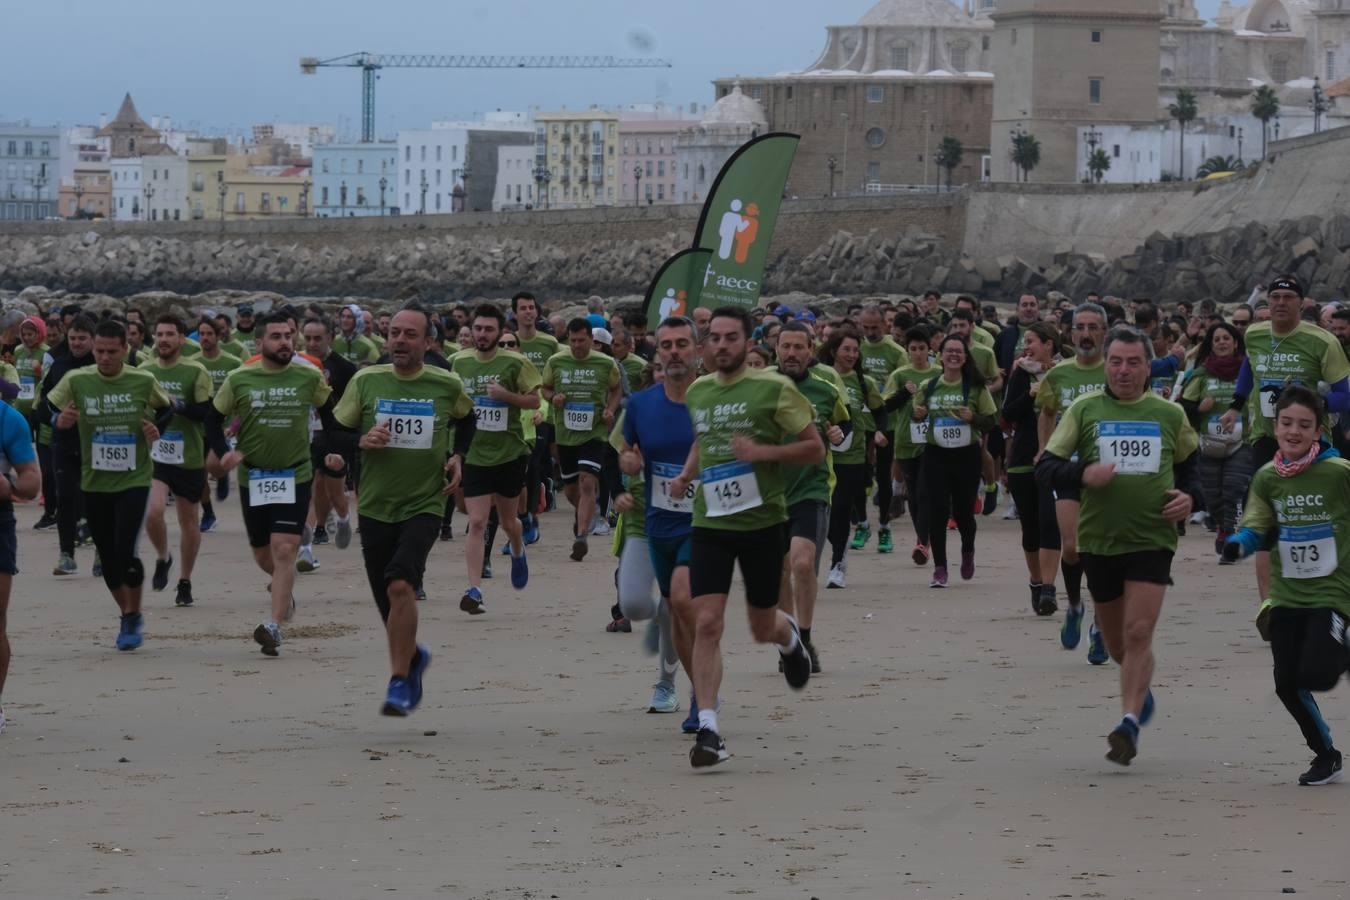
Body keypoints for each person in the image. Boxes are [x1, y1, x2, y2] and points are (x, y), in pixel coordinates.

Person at [667, 306, 822, 768]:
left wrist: (762, 452)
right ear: (704, 345)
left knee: (760, 626)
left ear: (748, 342)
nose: (720, 346)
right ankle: (710, 728)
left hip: (761, 523)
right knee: (708, 621)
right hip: (710, 522)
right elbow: (704, 440)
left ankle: (790, 639)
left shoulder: (774, 388)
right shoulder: (698, 391)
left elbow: (814, 447)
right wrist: (684, 476)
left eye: (730, 338)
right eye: (713, 338)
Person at [1038, 325, 1201, 765]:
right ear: (1106, 364)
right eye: (1116, 362)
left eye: (1133, 362)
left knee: (1139, 631)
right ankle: (1139, 687)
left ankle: (1127, 722)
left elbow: (1191, 465)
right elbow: (1047, 468)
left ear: (1150, 366)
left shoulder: (1169, 414)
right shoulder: (1085, 410)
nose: (1124, 370)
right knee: (1117, 647)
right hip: (1100, 541)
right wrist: (1082, 474)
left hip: (1152, 538)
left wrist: (1192, 498)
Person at [334, 305, 477, 715]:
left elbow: (468, 420)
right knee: (388, 601)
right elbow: (334, 433)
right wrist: (360, 441)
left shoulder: (445, 384)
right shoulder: (366, 380)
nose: (400, 340)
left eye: (410, 334)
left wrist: (459, 457)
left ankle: (398, 680)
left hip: (425, 501)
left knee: (400, 585)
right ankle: (413, 657)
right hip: (376, 505)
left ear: (428, 342)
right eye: (394, 333)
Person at [1223, 386, 1350, 785]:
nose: (1294, 431)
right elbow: (1258, 521)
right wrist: (1239, 543)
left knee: (1319, 672)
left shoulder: (1339, 473)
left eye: (1304, 425)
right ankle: (1326, 754)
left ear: (1319, 430)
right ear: (1275, 425)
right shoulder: (1267, 476)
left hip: (1334, 591)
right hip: (1287, 594)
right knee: (1286, 684)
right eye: (1286, 423)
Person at [207, 312, 348, 656]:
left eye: (288, 336)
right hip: (254, 475)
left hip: (295, 473)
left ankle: (274, 626)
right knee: (262, 553)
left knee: (285, 548)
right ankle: (284, 591)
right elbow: (213, 418)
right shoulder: (240, 379)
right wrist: (225, 452)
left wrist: (333, 452)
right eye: (276, 337)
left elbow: (330, 417)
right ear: (259, 343)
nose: (285, 342)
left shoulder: (308, 376)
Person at [1220, 276, 1350, 604]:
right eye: (1274, 296)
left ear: (1301, 302)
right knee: (1266, 516)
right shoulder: (1255, 333)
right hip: (1268, 437)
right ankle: (1270, 603)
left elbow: (1345, 396)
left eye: (1287, 297)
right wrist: (1235, 407)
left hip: (1312, 441)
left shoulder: (1322, 341)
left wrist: (1310, 408)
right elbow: (1249, 368)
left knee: (1315, 515)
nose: (1279, 302)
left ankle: (1329, 590)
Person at [48, 319, 172, 650]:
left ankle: (132, 617)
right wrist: (57, 421)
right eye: (99, 351)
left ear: (125, 349)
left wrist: (155, 428)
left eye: (111, 352)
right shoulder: (77, 380)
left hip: (134, 476)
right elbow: (45, 408)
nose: (104, 358)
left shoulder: (142, 379)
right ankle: (128, 613)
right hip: (94, 478)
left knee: (125, 549)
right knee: (107, 558)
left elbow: (167, 409)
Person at [619, 315, 705, 731]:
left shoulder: (715, 398)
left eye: (682, 344)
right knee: (654, 606)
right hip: (656, 521)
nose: (674, 352)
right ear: (657, 353)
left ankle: (696, 697)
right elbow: (626, 455)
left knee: (685, 603)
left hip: (707, 522)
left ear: (697, 350)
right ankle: (695, 684)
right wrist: (629, 466)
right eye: (666, 345)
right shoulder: (640, 405)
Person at [450, 304, 540, 614]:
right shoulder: (458, 362)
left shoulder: (516, 362)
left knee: (507, 521)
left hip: (509, 453)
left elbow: (534, 399)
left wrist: (506, 396)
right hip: (475, 453)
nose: (482, 334)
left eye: (489, 329)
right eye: (478, 329)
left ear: (500, 332)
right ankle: (474, 590)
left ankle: (517, 547)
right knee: (476, 521)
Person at [774, 322, 850, 671]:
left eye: (798, 347)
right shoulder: (759, 387)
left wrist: (837, 434)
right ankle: (788, 643)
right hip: (767, 494)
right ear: (776, 349)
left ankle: (804, 638)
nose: (791, 353)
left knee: (803, 565)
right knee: (779, 569)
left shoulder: (826, 389)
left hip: (812, 487)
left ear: (810, 350)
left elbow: (845, 427)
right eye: (785, 346)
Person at [1036, 302, 1109, 658]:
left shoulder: (1117, 372)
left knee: (1101, 550)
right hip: (1068, 469)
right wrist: (1044, 450)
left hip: (1106, 473)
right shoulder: (1059, 374)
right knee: (1072, 546)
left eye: (1093, 327)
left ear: (1104, 333)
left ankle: (1099, 624)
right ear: (1070, 332)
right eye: (1080, 327)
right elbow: (1047, 413)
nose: (1086, 333)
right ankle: (1076, 606)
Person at [908, 334, 998, 587]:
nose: (954, 355)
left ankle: (967, 551)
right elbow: (916, 418)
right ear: (941, 354)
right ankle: (940, 568)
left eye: (959, 351)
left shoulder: (975, 388)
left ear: (965, 357)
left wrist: (973, 419)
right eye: (949, 351)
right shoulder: (930, 385)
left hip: (966, 456)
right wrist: (918, 415)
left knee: (962, 512)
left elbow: (991, 420)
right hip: (936, 454)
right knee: (937, 511)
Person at [140, 315, 214, 607]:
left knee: (188, 522)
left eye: (170, 334)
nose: (164, 339)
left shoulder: (195, 370)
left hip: (189, 455)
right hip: (157, 453)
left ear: (183, 339)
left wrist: (178, 405)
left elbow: (206, 412)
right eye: (159, 334)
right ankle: (163, 557)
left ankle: (185, 580)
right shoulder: (144, 371)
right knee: (153, 511)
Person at [541, 319, 621, 562]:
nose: (576, 345)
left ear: (591, 340)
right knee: (571, 490)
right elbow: (544, 388)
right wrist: (553, 397)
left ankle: (582, 536)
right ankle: (584, 515)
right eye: (572, 341)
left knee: (588, 483)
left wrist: (610, 409)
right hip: (565, 434)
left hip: (594, 433)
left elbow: (617, 389)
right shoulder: (556, 361)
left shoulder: (606, 363)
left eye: (581, 340)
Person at [1001, 322, 1063, 615]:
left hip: (1057, 459)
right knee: (1030, 527)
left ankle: (1050, 587)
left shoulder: (1065, 373)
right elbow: (1007, 414)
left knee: (1050, 522)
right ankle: (1036, 583)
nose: (1025, 347)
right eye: (1024, 341)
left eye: (1031, 341)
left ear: (1049, 343)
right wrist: (1030, 395)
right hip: (1024, 459)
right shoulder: (1021, 374)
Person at [819, 328, 886, 589]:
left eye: (856, 350)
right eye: (846, 349)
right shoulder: (820, 377)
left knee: (841, 511)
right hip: (820, 456)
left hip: (852, 456)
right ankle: (834, 546)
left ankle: (837, 563)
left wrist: (879, 431)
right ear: (834, 350)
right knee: (822, 512)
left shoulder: (863, 383)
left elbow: (881, 412)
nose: (851, 354)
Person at [1178, 322, 1251, 557]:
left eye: (1226, 338)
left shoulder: (1249, 372)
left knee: (1233, 489)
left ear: (1236, 343)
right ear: (1210, 344)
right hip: (1208, 444)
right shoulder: (1200, 373)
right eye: (1216, 339)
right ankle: (1221, 526)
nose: (1221, 342)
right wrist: (1199, 408)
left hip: (1243, 441)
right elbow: (1182, 408)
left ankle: (1231, 535)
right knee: (1213, 496)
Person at [38, 315, 96, 576]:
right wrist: (56, 418)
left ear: (93, 340)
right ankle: (66, 555)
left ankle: (101, 554)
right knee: (65, 496)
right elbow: (42, 405)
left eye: (82, 339)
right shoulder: (60, 366)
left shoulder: (102, 365)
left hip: (97, 443)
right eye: (72, 338)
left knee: (97, 497)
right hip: (64, 441)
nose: (76, 343)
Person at [301, 317, 357, 552]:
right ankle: (307, 544)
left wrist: (351, 443)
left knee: (332, 490)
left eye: (317, 338)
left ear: (330, 338)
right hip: (307, 435)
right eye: (307, 338)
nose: (312, 343)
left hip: (335, 435)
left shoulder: (345, 368)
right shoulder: (298, 365)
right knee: (313, 485)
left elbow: (353, 407)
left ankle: (343, 518)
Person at [883, 325, 937, 565]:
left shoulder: (939, 373)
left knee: (926, 491)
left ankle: (923, 541)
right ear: (907, 351)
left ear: (929, 349)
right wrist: (905, 394)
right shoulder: (900, 375)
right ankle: (922, 538)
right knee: (914, 493)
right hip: (906, 440)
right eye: (913, 349)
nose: (917, 353)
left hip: (934, 441)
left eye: (922, 348)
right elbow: (886, 406)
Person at [512, 291, 559, 546]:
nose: (528, 312)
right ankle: (527, 516)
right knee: (521, 467)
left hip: (542, 411)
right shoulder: (509, 341)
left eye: (532, 307)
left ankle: (532, 510)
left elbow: (553, 377)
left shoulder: (548, 342)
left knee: (535, 463)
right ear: (515, 313)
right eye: (523, 308)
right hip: (516, 412)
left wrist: (549, 405)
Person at [856, 306, 904, 554]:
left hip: (887, 421)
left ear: (885, 325)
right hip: (858, 421)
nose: (870, 332)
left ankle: (884, 526)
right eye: (866, 327)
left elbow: (904, 385)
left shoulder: (895, 352)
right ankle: (862, 523)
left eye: (875, 327)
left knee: (883, 476)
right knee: (858, 475)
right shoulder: (856, 348)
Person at [15, 317, 53, 531]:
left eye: (31, 334)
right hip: (20, 407)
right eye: (25, 334)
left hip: (38, 408)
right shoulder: (19, 351)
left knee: (40, 451)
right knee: (19, 449)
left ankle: (43, 493)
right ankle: (20, 489)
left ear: (40, 333)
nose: (28, 338)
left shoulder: (46, 352)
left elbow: (47, 380)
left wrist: (39, 372)